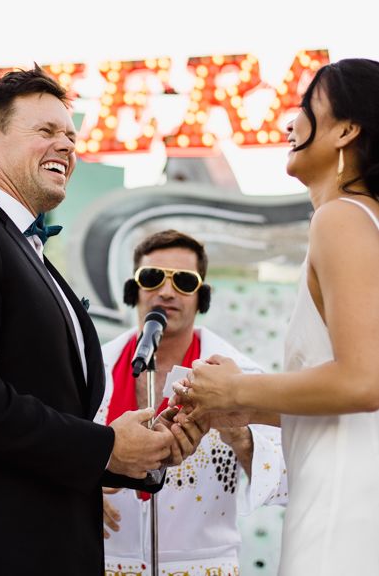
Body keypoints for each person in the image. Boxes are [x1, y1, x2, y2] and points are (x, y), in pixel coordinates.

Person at [0, 67, 195, 576]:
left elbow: (47, 412)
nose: (67, 146)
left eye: (71, 135)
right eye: (47, 131)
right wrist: (106, 447)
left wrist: (138, 452)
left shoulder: (27, 252)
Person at [173, 58, 379, 574]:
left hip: (343, 507)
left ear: (346, 131)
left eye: (306, 108)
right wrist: (240, 406)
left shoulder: (342, 220)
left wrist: (238, 391)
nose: (290, 124)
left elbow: (364, 381)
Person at [97, 230, 287, 575]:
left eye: (184, 281)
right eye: (152, 277)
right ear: (133, 289)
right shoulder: (92, 367)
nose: (166, 292)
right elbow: (55, 449)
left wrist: (240, 434)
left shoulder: (240, 372)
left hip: (203, 566)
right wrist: (82, 483)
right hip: (106, 561)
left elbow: (287, 479)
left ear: (201, 297)